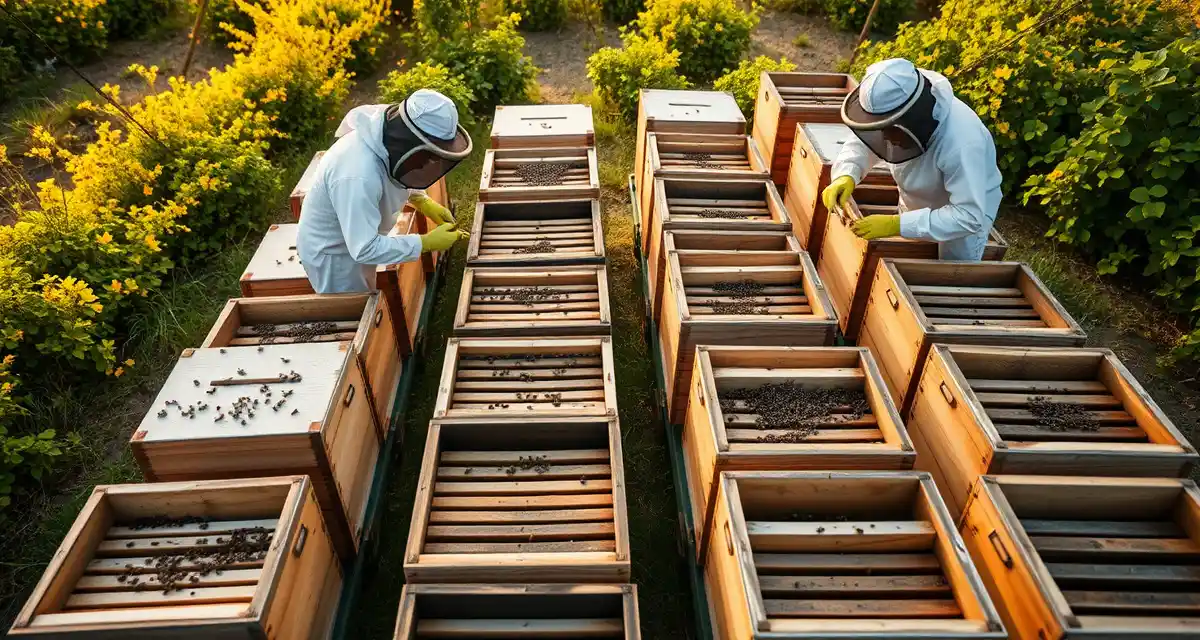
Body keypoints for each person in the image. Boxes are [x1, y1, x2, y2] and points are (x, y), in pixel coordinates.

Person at [821, 58, 1002, 260]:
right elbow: (866, 140)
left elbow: (968, 216)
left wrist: (896, 225)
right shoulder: (901, 104)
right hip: (916, 200)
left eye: (888, 129)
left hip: (963, 218)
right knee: (910, 254)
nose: (884, 136)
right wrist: (847, 173)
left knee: (953, 273)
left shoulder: (963, 143)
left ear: (911, 118)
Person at [298, 90, 472, 294]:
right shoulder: (356, 175)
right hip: (336, 256)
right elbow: (364, 248)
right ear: (409, 142)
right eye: (428, 153)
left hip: (356, 235)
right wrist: (424, 242)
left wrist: (421, 200)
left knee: (369, 286)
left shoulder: (388, 133)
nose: (429, 162)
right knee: (358, 308)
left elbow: (395, 172)